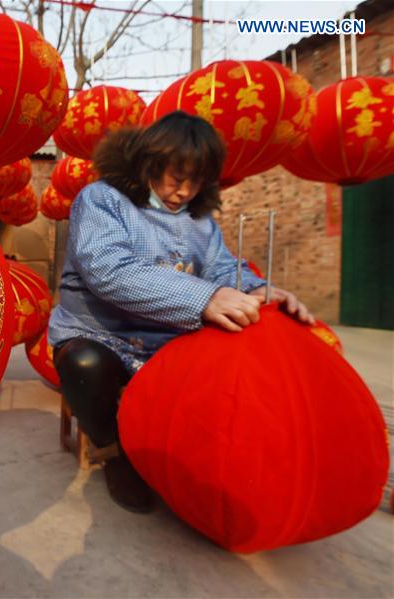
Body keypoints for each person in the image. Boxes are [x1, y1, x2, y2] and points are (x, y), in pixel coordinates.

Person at [48, 111, 315, 513]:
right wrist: (203, 300)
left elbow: (223, 268)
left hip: (168, 338)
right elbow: (108, 270)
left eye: (196, 181)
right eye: (176, 177)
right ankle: (115, 453)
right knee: (84, 364)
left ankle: (190, 455)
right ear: (149, 163)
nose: (184, 191)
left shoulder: (200, 222)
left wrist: (262, 290)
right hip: (98, 331)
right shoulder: (101, 199)